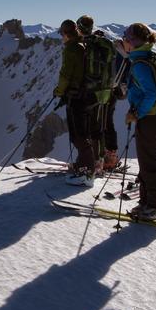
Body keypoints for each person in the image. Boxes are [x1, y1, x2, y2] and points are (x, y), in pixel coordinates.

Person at [121, 23, 156, 221]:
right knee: (147, 160)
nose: (124, 39)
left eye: (126, 36)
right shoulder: (148, 57)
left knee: (151, 162)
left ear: (134, 40)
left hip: (150, 117)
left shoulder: (141, 64)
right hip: (155, 117)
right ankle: (147, 202)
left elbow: (151, 93)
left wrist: (138, 113)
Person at [76, 15, 126, 173]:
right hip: (112, 90)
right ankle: (110, 157)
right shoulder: (112, 48)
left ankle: (96, 160)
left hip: (96, 90)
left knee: (95, 125)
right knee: (107, 123)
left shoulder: (89, 46)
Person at [53, 19, 99, 187]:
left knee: (79, 135)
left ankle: (87, 173)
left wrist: (59, 91)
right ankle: (82, 166)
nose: (61, 37)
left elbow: (66, 74)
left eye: (61, 34)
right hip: (87, 95)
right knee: (82, 133)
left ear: (65, 34)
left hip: (77, 96)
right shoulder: (83, 45)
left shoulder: (72, 49)